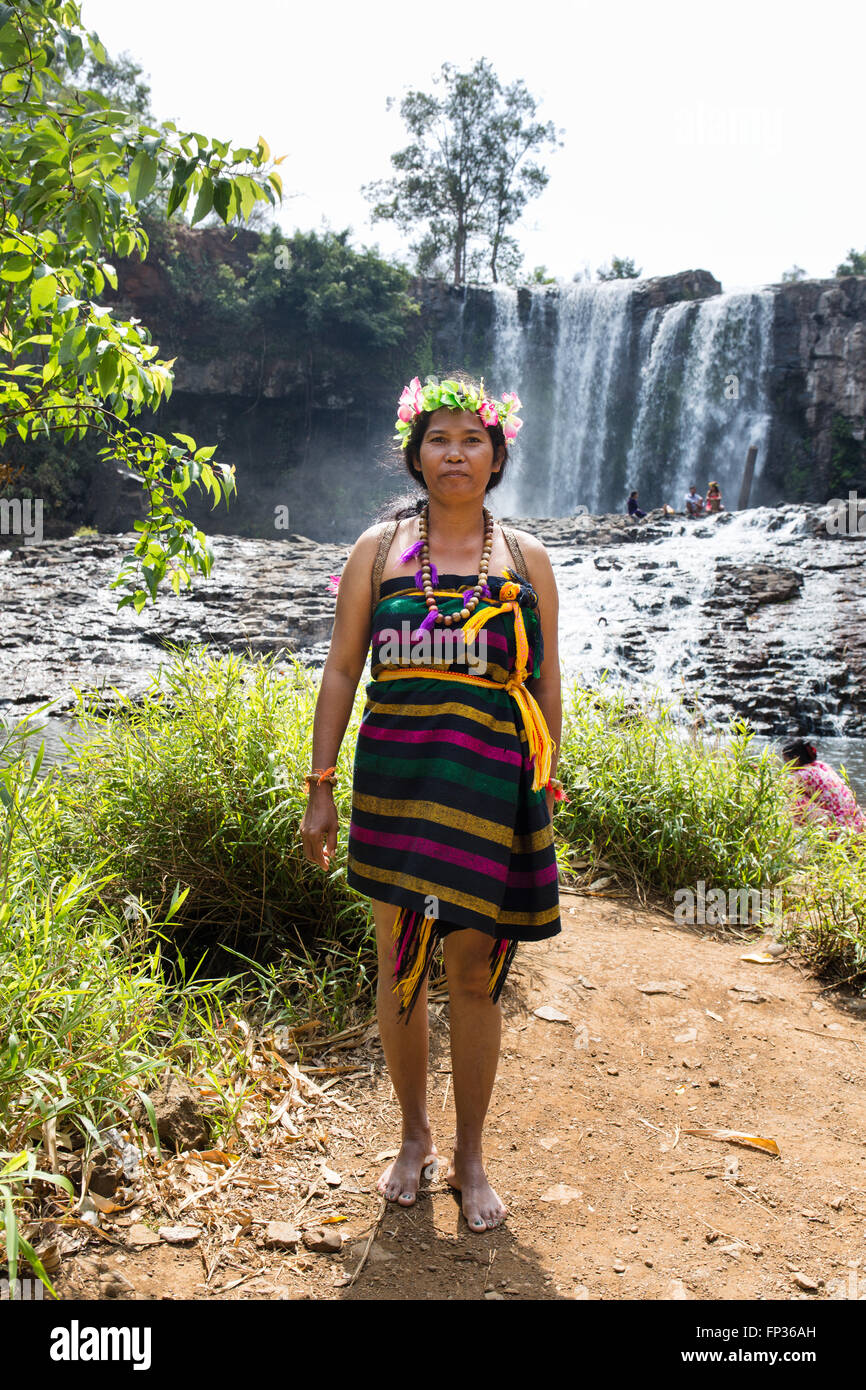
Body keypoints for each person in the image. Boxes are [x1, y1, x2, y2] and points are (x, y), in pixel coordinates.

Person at [300, 374, 563, 1233]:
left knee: (475, 975)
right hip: (397, 785)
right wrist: (320, 790)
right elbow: (342, 669)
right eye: (439, 439)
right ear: (417, 455)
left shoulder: (527, 561)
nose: (456, 452)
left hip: (492, 793)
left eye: (472, 440)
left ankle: (472, 1152)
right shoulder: (378, 550)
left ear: (496, 456)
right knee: (403, 965)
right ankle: (412, 1138)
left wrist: (544, 795)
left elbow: (547, 685)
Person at [780, 739, 866, 837]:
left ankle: (810, 839)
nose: (785, 766)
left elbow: (779, 788)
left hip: (839, 830)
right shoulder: (821, 766)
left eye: (786, 762)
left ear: (796, 759)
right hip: (858, 826)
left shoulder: (804, 774)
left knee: (793, 797)